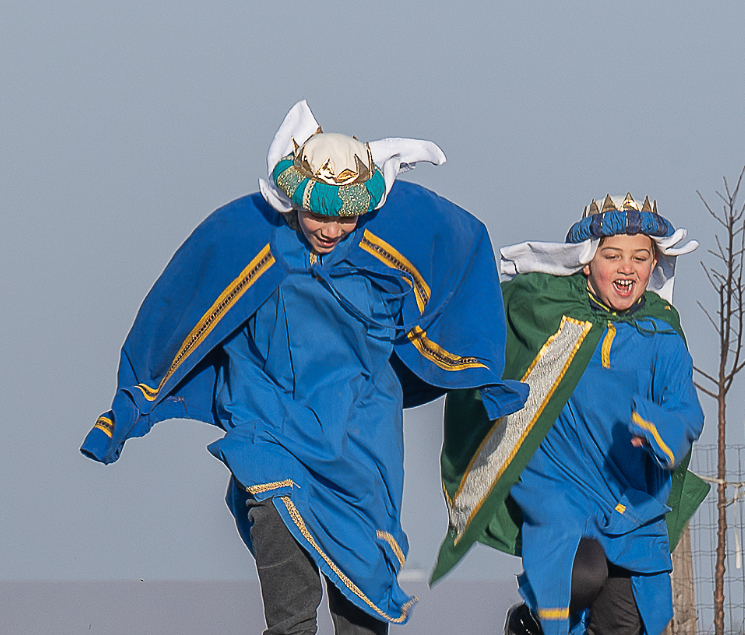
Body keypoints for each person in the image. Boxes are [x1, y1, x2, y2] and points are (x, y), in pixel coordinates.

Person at [80, 101, 525, 635]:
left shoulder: (394, 243)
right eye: (319, 213)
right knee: (274, 510)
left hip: (360, 430)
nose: (332, 229)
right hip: (267, 415)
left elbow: (466, 253)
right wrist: (130, 404)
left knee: (360, 573)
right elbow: (178, 309)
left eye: (346, 215)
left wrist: (482, 374)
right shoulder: (248, 240)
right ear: (292, 200)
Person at [432, 194, 707, 635]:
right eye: (612, 255)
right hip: (557, 490)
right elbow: (485, 332)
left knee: (624, 622)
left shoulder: (663, 337)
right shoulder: (544, 315)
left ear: (654, 264)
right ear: (584, 261)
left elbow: (686, 411)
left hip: (632, 504)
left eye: (640, 257)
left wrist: (661, 432)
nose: (626, 268)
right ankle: (533, 621)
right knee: (579, 576)